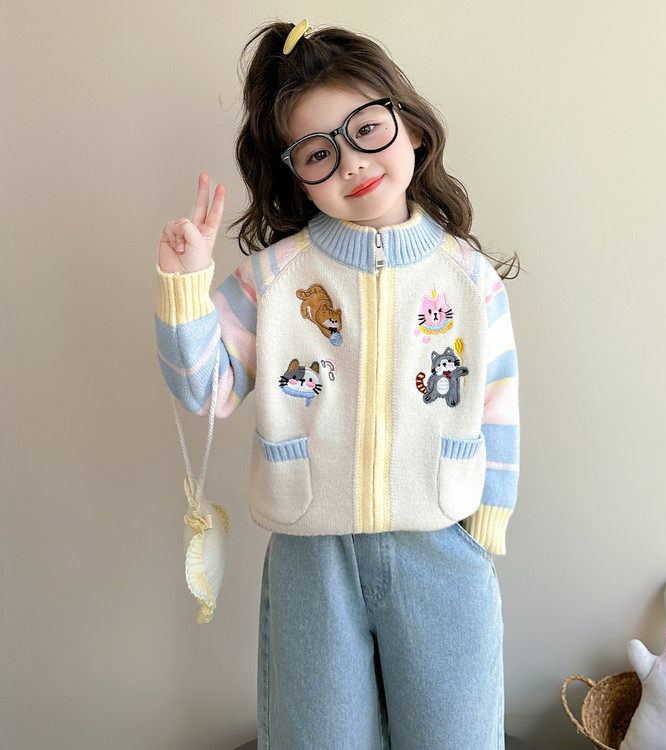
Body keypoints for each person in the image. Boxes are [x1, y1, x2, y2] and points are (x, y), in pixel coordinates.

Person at [155, 19, 521, 749]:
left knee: (456, 736)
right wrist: (185, 285)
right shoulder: (271, 279)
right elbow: (206, 390)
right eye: (320, 152)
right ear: (296, 174)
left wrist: (490, 519)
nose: (352, 162)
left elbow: (498, 402)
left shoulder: (468, 277)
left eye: (367, 129)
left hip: (442, 545)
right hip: (310, 555)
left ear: (412, 128)